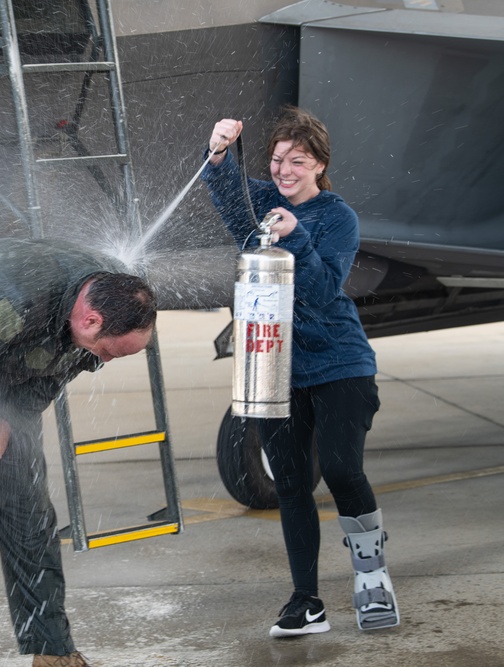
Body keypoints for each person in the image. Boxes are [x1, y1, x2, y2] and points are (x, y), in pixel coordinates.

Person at [0, 237, 157, 667]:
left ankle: (52, 651)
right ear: (92, 320)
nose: (106, 361)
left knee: (30, 519)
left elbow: (50, 374)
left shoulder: (112, 294)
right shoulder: (16, 300)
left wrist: (5, 422)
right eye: (108, 353)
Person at [201, 106, 399, 637]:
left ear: (319, 165)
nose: (285, 170)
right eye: (277, 159)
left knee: (341, 470)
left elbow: (319, 290)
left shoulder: (337, 217)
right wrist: (218, 151)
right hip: (275, 367)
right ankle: (305, 601)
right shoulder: (263, 202)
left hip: (338, 364)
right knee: (290, 484)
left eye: (299, 160)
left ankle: (371, 579)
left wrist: (296, 236)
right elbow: (224, 191)